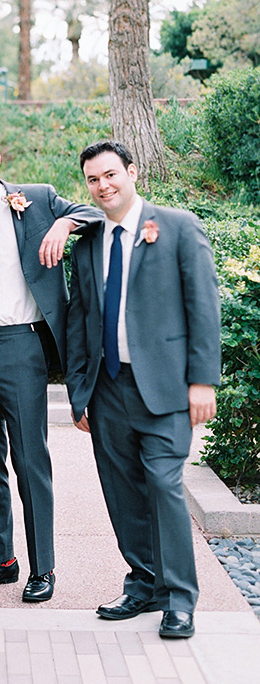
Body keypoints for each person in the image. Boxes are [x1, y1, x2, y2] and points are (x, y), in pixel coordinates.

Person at [66, 140, 221, 640]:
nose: (104, 185)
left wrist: (203, 381)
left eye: (111, 174)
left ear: (132, 172)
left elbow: (203, 307)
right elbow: (80, 319)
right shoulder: (88, 241)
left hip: (165, 387)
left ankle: (179, 599)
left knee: (164, 486)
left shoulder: (176, 226)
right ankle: (143, 582)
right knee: (121, 492)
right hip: (107, 389)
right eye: (93, 179)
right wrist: (79, 391)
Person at [0, 127, 101, 602]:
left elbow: (94, 211)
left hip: (22, 346)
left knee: (31, 460)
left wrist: (64, 223)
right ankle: (1, 560)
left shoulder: (36, 200)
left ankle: (43, 567)